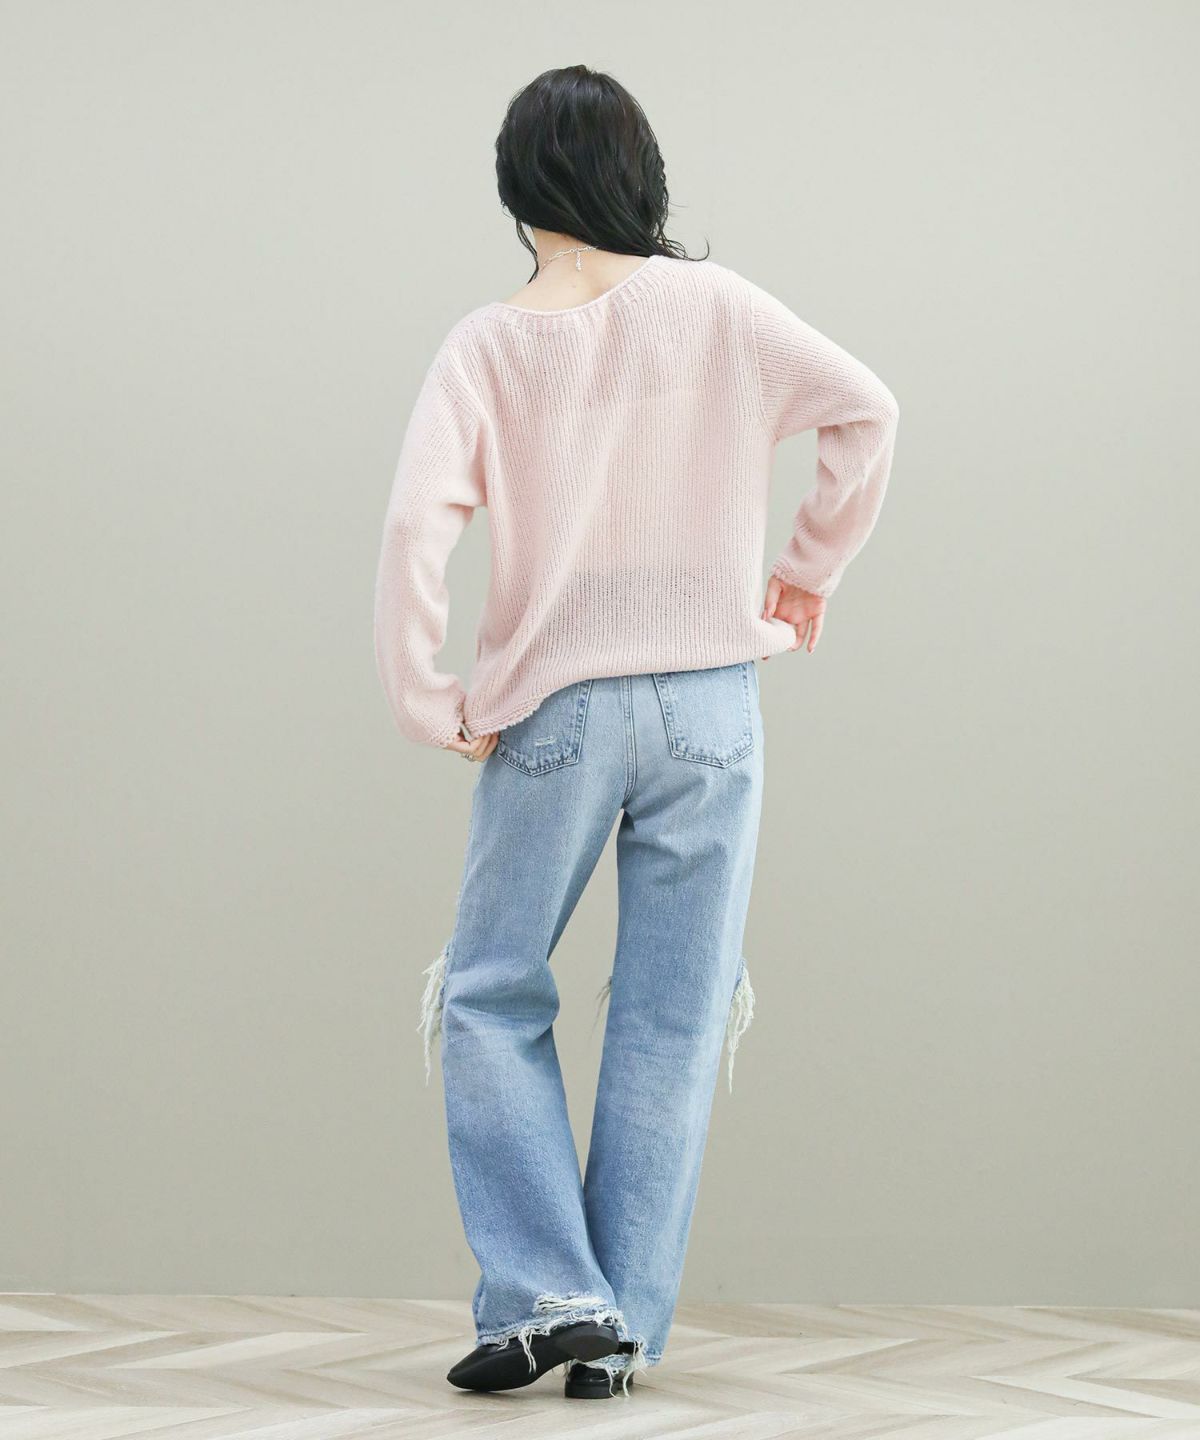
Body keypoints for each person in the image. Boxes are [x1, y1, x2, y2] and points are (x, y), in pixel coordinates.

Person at [372, 64, 899, 1401]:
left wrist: (424, 690)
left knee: (492, 990)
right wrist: (807, 573)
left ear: (518, 190)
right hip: (712, 701)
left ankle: (554, 1291)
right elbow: (868, 412)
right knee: (674, 1013)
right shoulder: (719, 309)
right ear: (640, 176)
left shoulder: (488, 345)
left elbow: (417, 523)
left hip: (556, 700)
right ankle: (613, 1327)